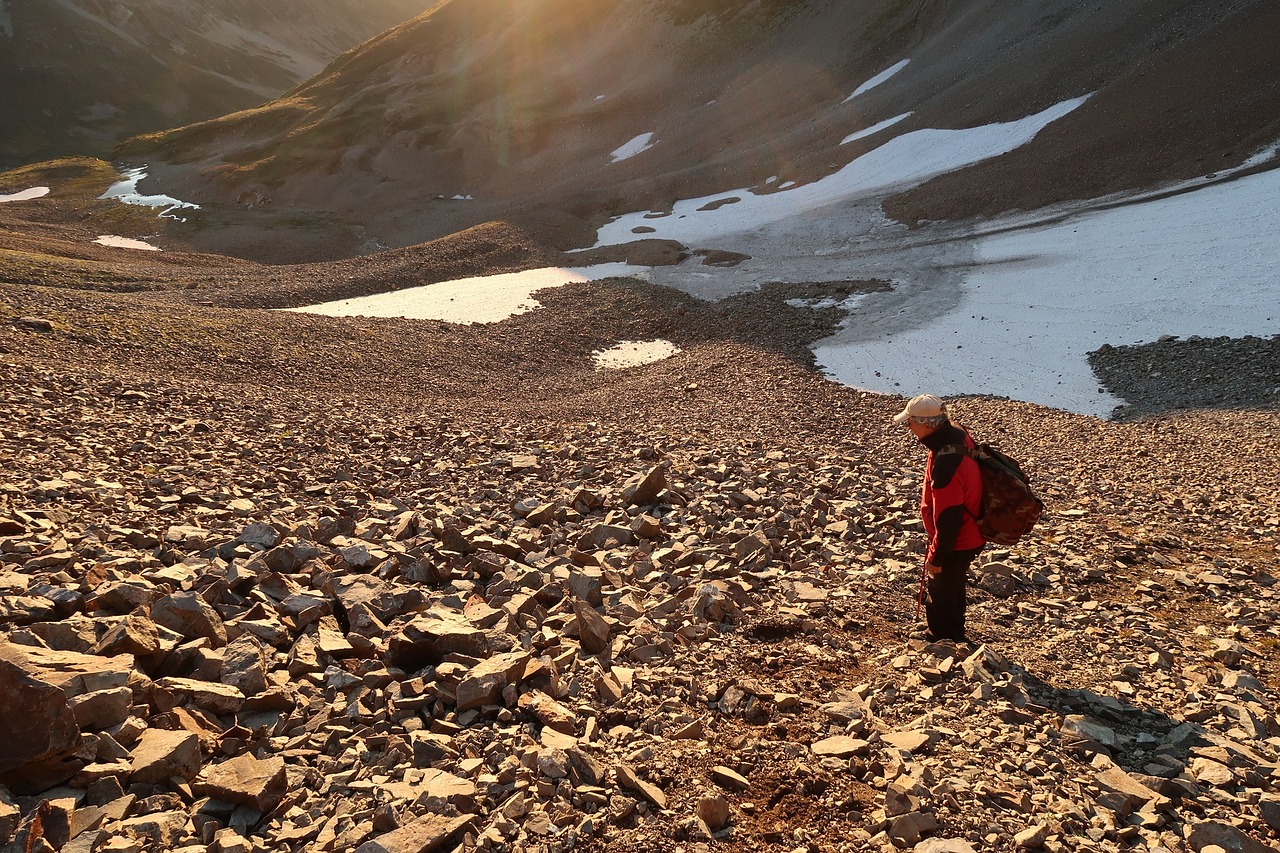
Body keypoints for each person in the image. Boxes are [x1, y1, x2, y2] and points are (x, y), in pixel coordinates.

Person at [892, 394, 985, 644]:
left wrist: (936, 557)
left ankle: (942, 640)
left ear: (927, 423)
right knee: (953, 585)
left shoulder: (946, 464)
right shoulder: (954, 432)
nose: (908, 426)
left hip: (958, 538)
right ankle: (955, 634)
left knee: (941, 588)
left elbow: (949, 517)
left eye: (911, 421)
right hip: (971, 532)